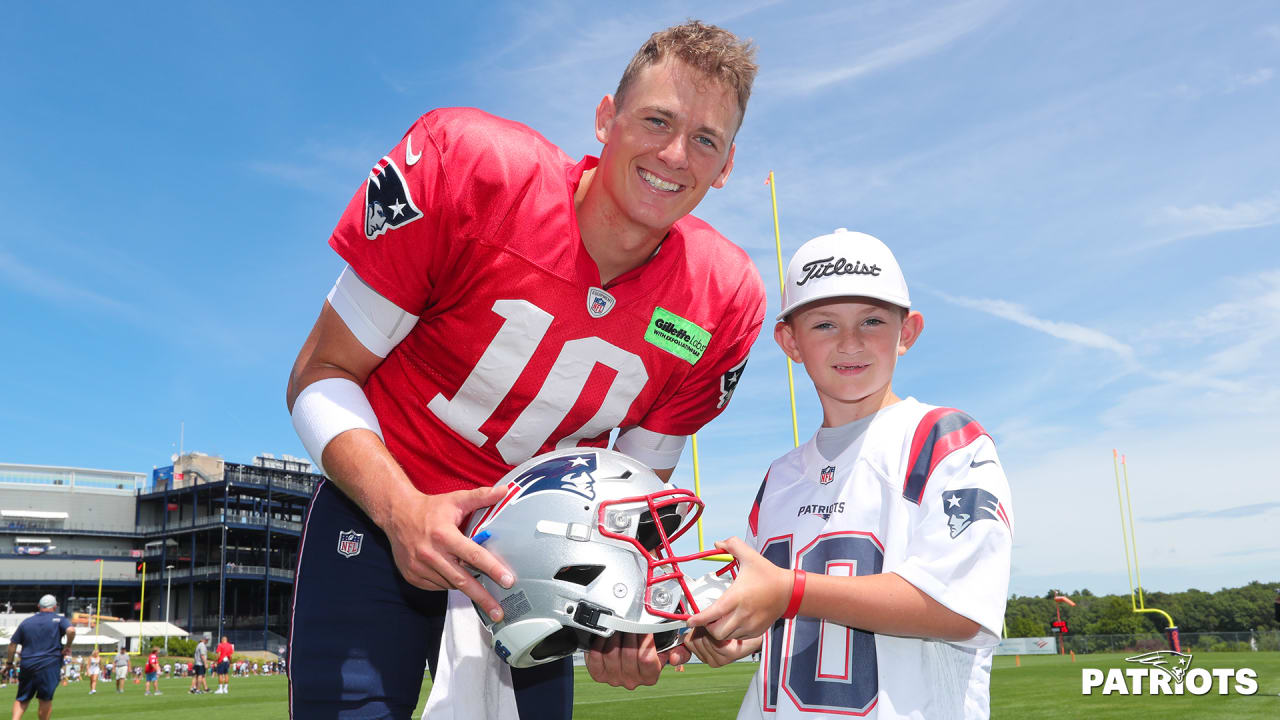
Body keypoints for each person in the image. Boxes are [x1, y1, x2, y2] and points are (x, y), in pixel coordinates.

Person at [284, 19, 764, 720]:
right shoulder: (473, 170)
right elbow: (320, 372)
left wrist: (624, 605)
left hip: (534, 561)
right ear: (606, 118)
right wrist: (402, 510)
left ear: (725, 168)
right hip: (378, 511)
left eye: (705, 139)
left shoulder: (721, 299)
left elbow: (633, 488)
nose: (673, 153)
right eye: (657, 119)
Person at [682, 230, 1014, 718]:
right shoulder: (780, 476)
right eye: (824, 325)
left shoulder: (943, 440)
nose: (850, 342)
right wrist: (740, 636)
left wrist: (790, 591)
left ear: (907, 331)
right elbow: (783, 614)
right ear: (790, 341)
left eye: (873, 320)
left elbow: (960, 608)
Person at [5, 594, 74, 720]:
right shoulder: (59, 619)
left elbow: (12, 644)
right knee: (45, 698)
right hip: (49, 664)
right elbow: (71, 631)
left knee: (22, 698)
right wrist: (67, 646)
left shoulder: (26, 622)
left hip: (28, 664)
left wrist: (9, 663)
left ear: (38, 606)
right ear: (55, 607)